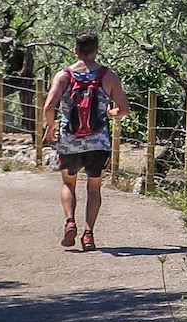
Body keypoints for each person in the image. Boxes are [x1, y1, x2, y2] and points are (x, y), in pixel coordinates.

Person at [43, 31, 129, 251]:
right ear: (96, 50)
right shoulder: (108, 76)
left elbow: (49, 106)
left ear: (76, 50)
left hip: (69, 140)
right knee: (94, 188)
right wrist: (109, 114)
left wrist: (51, 128)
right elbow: (124, 109)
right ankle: (88, 234)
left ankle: (70, 221)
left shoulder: (63, 76)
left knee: (68, 183)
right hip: (98, 141)